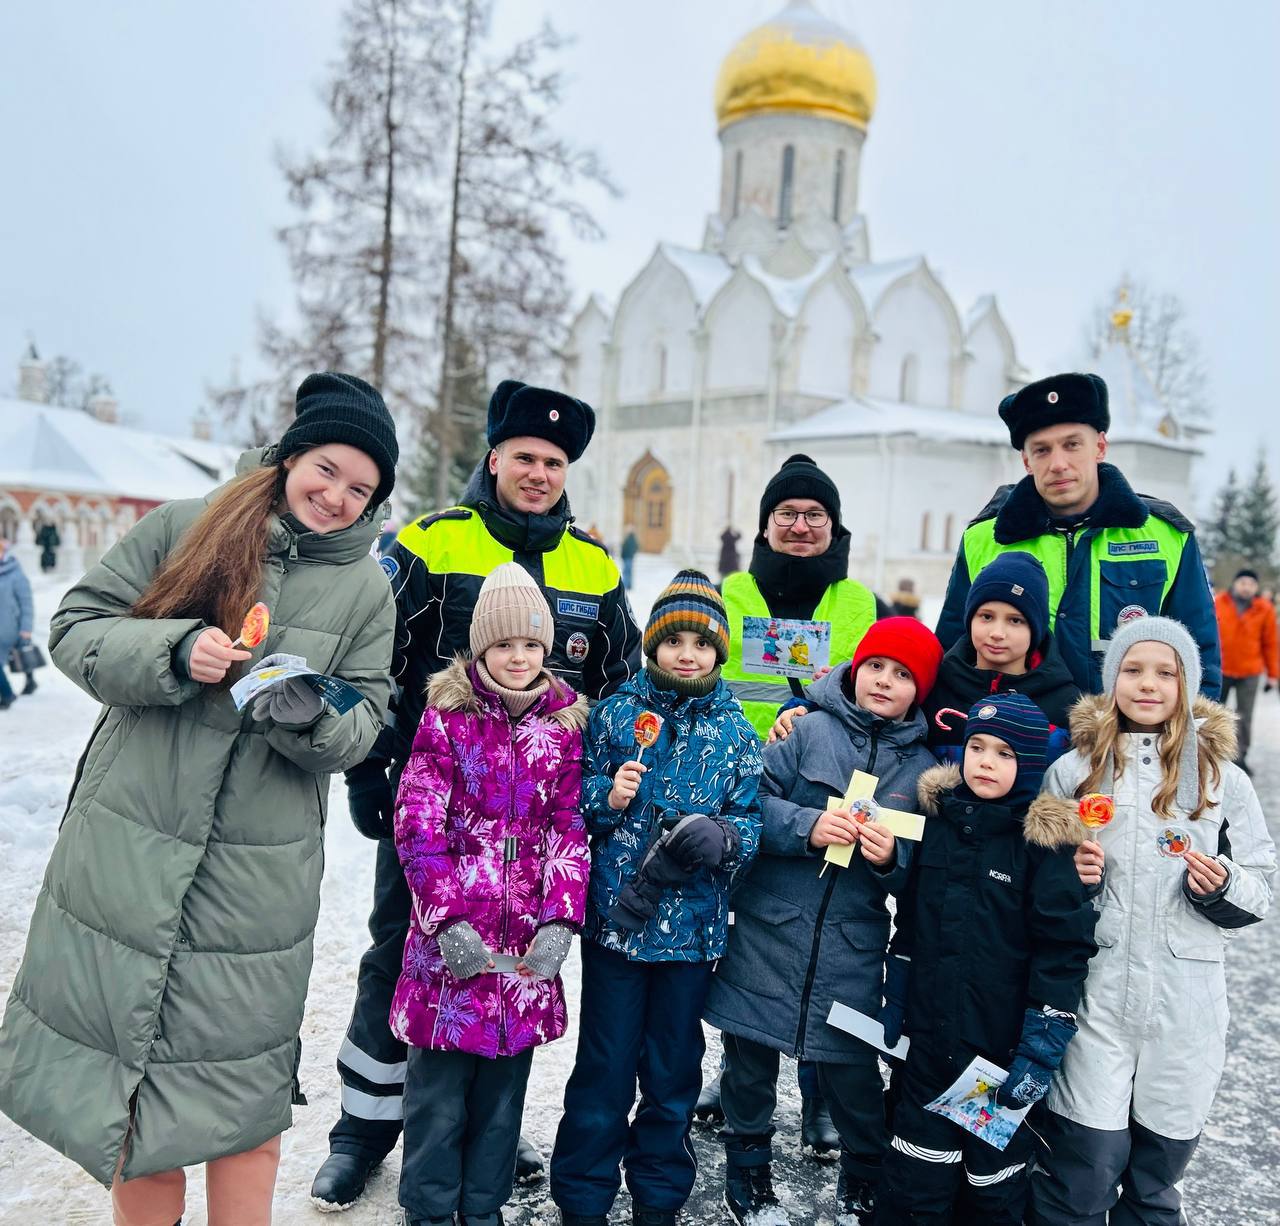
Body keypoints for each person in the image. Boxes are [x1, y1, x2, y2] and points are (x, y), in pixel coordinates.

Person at [0, 373, 399, 1226]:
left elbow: (365, 726)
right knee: (137, 1108)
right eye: (326, 470)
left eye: (360, 489)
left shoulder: (366, 588)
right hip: (132, 840)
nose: (337, 497)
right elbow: (76, 628)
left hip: (260, 873)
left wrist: (311, 718)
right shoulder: (189, 525)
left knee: (243, 1097)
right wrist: (174, 651)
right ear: (292, 457)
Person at [314, 379, 641, 1210]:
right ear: (494, 457)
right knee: (401, 960)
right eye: (525, 456)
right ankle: (362, 1131)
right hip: (433, 812)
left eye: (554, 461)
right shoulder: (430, 542)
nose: (538, 472)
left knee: (508, 978)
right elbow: (373, 661)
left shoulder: (594, 565)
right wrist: (366, 773)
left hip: (534, 838)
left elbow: (618, 689)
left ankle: (479, 1135)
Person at [1028, 617, 1276, 1226]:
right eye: (1132, 670)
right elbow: (1036, 882)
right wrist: (1073, 879)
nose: (1148, 684)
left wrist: (1221, 884)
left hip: (1185, 1002)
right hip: (1098, 995)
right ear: (1111, 680)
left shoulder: (1223, 781)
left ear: (1187, 685)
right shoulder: (1074, 771)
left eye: (1166, 672)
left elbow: (1261, 886)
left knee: (1156, 1179)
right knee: (1082, 1170)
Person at [705, 617, 944, 1226]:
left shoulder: (921, 769)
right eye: (876, 667)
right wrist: (804, 826)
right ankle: (748, 1171)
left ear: (921, 689)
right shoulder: (807, 730)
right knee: (749, 1064)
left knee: (852, 1072)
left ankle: (863, 1172)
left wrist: (892, 857)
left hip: (850, 945)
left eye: (902, 675)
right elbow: (748, 802)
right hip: (768, 929)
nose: (884, 682)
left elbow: (918, 864)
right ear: (855, 668)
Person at [550, 571, 763, 1226]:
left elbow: (752, 825)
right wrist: (605, 797)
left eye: (702, 642)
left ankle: (657, 1201)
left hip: (691, 937)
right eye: (675, 640)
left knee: (673, 1076)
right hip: (618, 927)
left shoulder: (735, 731)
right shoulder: (616, 712)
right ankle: (584, 1198)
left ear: (720, 652)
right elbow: (570, 798)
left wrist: (723, 837)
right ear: (654, 646)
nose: (689, 653)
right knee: (604, 1069)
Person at [392, 564, 590, 1226]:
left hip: (524, 952)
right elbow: (417, 824)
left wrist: (561, 918)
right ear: (480, 649)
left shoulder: (563, 726)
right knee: (437, 1100)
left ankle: (483, 1210)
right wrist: (444, 919)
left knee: (503, 1101)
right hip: (452, 950)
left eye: (531, 646)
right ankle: (427, 1212)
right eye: (505, 645)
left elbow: (569, 826)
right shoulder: (446, 718)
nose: (518, 657)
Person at [709, 453, 882, 1156]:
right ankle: (735, 1080)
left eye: (815, 515)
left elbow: (869, 686)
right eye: (787, 514)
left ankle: (820, 1101)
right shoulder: (735, 589)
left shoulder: (857, 601)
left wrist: (808, 719)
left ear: (835, 527)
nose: (801, 526)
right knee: (746, 943)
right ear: (766, 525)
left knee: (822, 946)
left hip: (831, 796)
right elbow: (717, 677)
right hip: (745, 786)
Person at [874, 693, 1098, 1224]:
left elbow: (1063, 949)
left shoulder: (1043, 847)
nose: (986, 763)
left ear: (1028, 765)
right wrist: (897, 992)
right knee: (916, 1174)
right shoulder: (939, 825)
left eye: (1004, 753)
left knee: (991, 1185)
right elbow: (910, 923)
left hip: (999, 1056)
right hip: (928, 1041)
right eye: (976, 747)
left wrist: (1040, 1046)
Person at [936, 373, 1221, 698]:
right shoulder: (984, 539)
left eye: (1072, 445)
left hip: (1124, 738)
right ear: (1026, 460)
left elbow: (1198, 656)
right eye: (1042, 450)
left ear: (1100, 446)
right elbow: (952, 651)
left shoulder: (1167, 535)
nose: (1058, 464)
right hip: (1014, 741)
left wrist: (1191, 739)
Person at [923, 552, 1081, 766]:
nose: (997, 632)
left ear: (1036, 629)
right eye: (986, 616)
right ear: (970, 619)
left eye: (1015, 620)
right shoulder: (937, 688)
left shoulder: (1065, 703)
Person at [1214, 567, 1277, 772]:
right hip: (1220, 668)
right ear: (1235, 583)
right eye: (1243, 583)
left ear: (1256, 587)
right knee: (1214, 712)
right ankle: (1212, 753)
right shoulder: (1218, 602)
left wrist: (1273, 675)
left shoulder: (1264, 608)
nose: (1246, 587)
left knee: (1244, 716)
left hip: (1249, 671)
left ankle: (1240, 757)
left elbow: (1271, 643)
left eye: (1251, 584)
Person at [0, 537, 34, 710]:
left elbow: (26, 602)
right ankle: (29, 681)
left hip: (8, 627)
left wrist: (26, 628)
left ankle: (7, 695)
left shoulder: (15, 574)